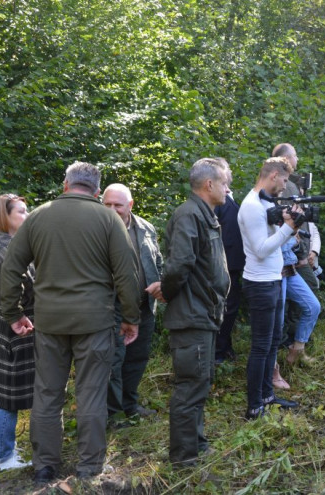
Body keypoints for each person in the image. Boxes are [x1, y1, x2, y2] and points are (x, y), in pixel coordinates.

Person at [0, 162, 141, 483]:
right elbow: (127, 275)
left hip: (49, 322)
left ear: (66, 184)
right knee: (91, 393)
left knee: (47, 393)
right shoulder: (108, 219)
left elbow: (11, 268)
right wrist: (131, 318)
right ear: (96, 189)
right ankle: (89, 467)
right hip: (95, 322)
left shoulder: (38, 216)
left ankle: (45, 466)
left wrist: (14, 313)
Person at [161, 158, 231, 466]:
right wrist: (167, 292)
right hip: (191, 315)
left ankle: (197, 445)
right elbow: (178, 266)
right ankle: (184, 459)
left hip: (204, 314)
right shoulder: (189, 214)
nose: (229, 189)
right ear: (209, 185)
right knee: (190, 386)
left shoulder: (206, 215)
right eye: (225, 183)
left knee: (200, 382)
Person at [238, 157, 300, 420]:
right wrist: (288, 228)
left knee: (274, 340)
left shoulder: (266, 202)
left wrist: (285, 220)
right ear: (274, 175)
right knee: (261, 345)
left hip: (273, 280)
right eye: (285, 180)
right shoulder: (251, 206)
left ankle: (267, 395)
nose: (285, 187)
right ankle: (254, 406)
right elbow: (262, 250)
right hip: (260, 283)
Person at [0, 194, 35, 474]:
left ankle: (2, 448)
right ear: (4, 216)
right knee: (6, 396)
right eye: (22, 212)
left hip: (1, 331)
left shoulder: (0, 243)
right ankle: (1, 458)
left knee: (0, 392)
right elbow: (17, 293)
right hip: (11, 333)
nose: (27, 215)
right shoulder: (5, 251)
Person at [103, 184, 163, 420]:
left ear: (130, 205)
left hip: (144, 305)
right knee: (113, 362)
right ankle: (114, 415)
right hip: (111, 306)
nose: (112, 209)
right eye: (107, 204)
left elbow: (158, 260)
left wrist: (160, 284)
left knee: (137, 358)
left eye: (117, 205)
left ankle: (130, 406)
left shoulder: (145, 228)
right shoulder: (98, 228)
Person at [272, 143, 322, 346]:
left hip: (294, 255)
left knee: (304, 300)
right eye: (295, 155)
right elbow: (293, 223)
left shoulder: (292, 185)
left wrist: (313, 251)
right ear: (286, 159)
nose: (297, 159)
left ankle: (295, 340)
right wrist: (302, 255)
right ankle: (290, 339)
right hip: (289, 258)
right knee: (297, 300)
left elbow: (307, 227)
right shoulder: (288, 188)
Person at [213, 159, 245, 364]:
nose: (229, 172)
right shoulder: (217, 203)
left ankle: (225, 346)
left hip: (234, 263)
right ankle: (218, 352)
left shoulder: (229, 198)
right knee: (225, 307)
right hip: (223, 264)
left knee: (231, 307)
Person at [281, 234, 321, 366]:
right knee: (277, 322)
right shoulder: (267, 215)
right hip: (273, 272)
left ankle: (297, 351)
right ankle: (271, 367)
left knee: (313, 306)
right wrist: (292, 235)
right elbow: (267, 247)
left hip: (289, 270)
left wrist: (296, 240)